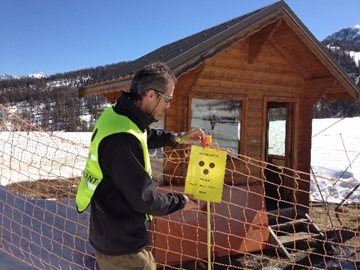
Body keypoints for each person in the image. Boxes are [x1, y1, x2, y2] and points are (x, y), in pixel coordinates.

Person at [75, 62, 204, 270]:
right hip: (123, 247)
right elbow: (146, 200)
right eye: (168, 98)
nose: (169, 105)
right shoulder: (122, 139)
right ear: (151, 94)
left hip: (109, 230)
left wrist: (178, 139)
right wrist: (182, 201)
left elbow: (144, 136)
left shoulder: (120, 115)